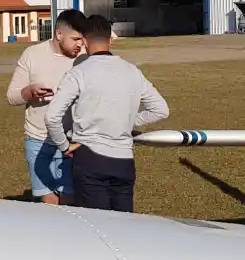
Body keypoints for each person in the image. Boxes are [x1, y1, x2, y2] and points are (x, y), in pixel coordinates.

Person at [45, 15, 169, 213]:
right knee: (124, 224)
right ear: (110, 39)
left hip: (89, 159)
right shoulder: (132, 71)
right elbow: (160, 109)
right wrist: (127, 122)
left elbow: (52, 116)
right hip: (124, 161)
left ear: (84, 41)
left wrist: (64, 145)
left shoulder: (79, 72)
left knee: (96, 226)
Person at [7, 9, 88, 204]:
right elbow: (11, 97)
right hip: (37, 140)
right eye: (75, 39)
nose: (80, 44)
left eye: (82, 39)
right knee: (49, 202)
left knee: (71, 201)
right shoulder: (32, 54)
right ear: (59, 34)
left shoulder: (85, 59)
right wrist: (29, 92)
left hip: (72, 142)